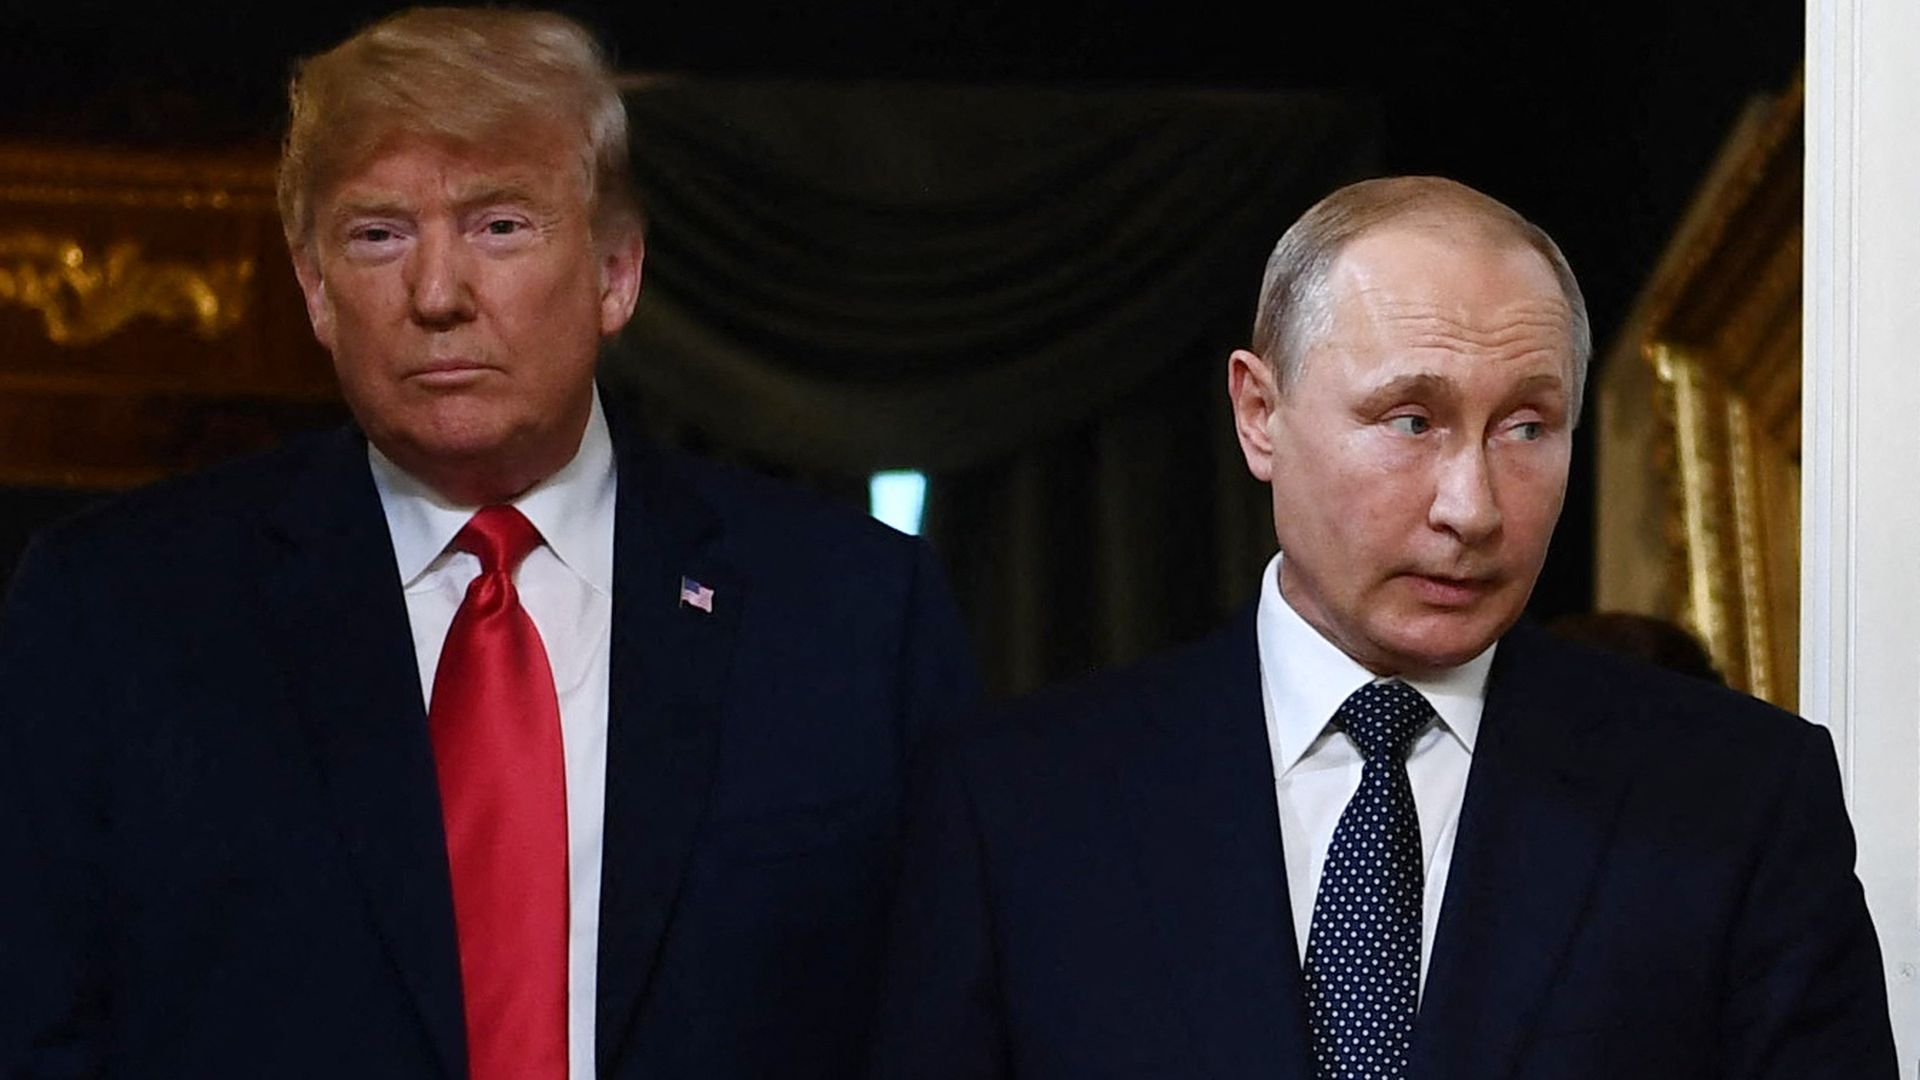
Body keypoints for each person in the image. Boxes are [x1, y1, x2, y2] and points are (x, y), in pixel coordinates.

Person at [0, 9, 976, 1079]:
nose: (435, 295)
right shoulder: (118, 610)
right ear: (317, 291)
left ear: (616, 274)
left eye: (499, 226)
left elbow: (939, 1025)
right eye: (378, 235)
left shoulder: (850, 614)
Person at [868, 176, 1895, 1079]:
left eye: (1528, 427)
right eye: (1412, 420)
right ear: (1259, 414)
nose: (1474, 506)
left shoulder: (1738, 799)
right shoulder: (1014, 807)